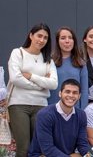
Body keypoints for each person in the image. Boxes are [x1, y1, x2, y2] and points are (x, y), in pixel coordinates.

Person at [7, 23, 58, 157]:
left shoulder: (48, 60)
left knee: (39, 147)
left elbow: (53, 84)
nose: (41, 40)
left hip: (41, 106)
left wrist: (31, 76)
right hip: (18, 105)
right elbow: (15, 78)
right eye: (39, 36)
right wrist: (41, 85)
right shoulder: (18, 53)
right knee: (23, 147)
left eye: (45, 38)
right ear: (31, 35)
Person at [28, 79, 90, 156]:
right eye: (67, 91)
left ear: (79, 96)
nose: (71, 95)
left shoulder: (81, 115)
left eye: (75, 93)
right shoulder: (45, 114)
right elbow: (48, 149)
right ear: (60, 94)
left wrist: (89, 154)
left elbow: (82, 144)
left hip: (67, 155)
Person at [48, 27, 88, 109]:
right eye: (63, 38)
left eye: (70, 38)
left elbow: (84, 91)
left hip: (74, 110)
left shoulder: (81, 63)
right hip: (52, 108)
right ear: (57, 41)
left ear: (74, 41)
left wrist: (82, 110)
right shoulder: (49, 62)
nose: (67, 41)